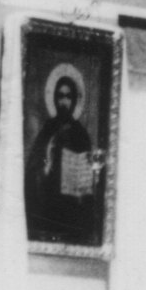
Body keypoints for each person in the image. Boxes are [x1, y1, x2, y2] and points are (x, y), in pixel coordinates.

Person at [30, 67, 107, 242]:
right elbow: (34, 167)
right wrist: (45, 166)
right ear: (54, 98)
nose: (63, 101)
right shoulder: (48, 130)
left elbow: (88, 172)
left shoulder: (80, 133)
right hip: (48, 203)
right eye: (60, 96)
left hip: (72, 206)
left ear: (73, 100)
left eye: (68, 96)